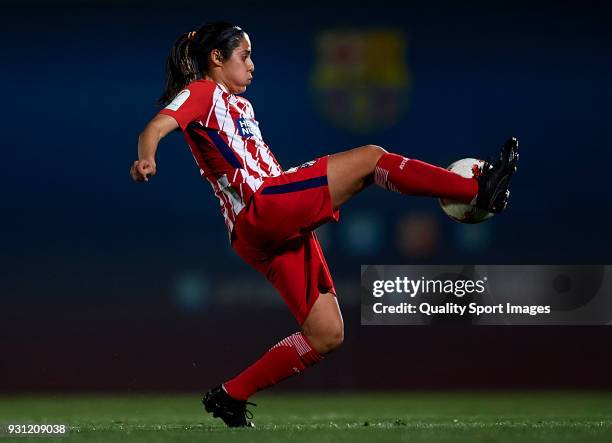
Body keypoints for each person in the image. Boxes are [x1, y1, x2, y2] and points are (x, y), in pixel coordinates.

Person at [130, 22, 519, 428]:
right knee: (371, 157)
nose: (252, 66)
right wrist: (147, 158)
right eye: (244, 56)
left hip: (259, 233)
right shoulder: (203, 92)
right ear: (216, 58)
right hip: (265, 205)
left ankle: (231, 395)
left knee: (327, 333)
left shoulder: (237, 104)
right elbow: (155, 127)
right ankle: (476, 189)